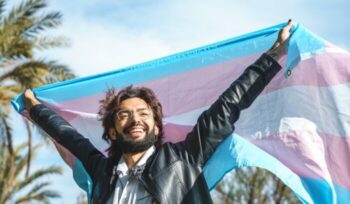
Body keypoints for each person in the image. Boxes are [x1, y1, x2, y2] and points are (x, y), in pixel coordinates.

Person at [24, 20, 293, 204]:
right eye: (124, 115)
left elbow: (225, 108)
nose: (135, 119)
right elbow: (69, 137)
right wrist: (35, 108)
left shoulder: (183, 159)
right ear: (111, 130)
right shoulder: (102, 171)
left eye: (143, 113)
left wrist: (272, 56)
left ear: (155, 126)